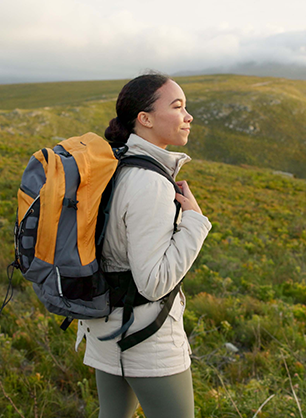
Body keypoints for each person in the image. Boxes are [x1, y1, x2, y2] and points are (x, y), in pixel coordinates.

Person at [74, 73, 212, 418]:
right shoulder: (149, 182)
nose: (188, 116)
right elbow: (153, 282)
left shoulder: (115, 166)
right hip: (147, 340)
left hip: (107, 327)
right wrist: (195, 221)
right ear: (145, 119)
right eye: (177, 106)